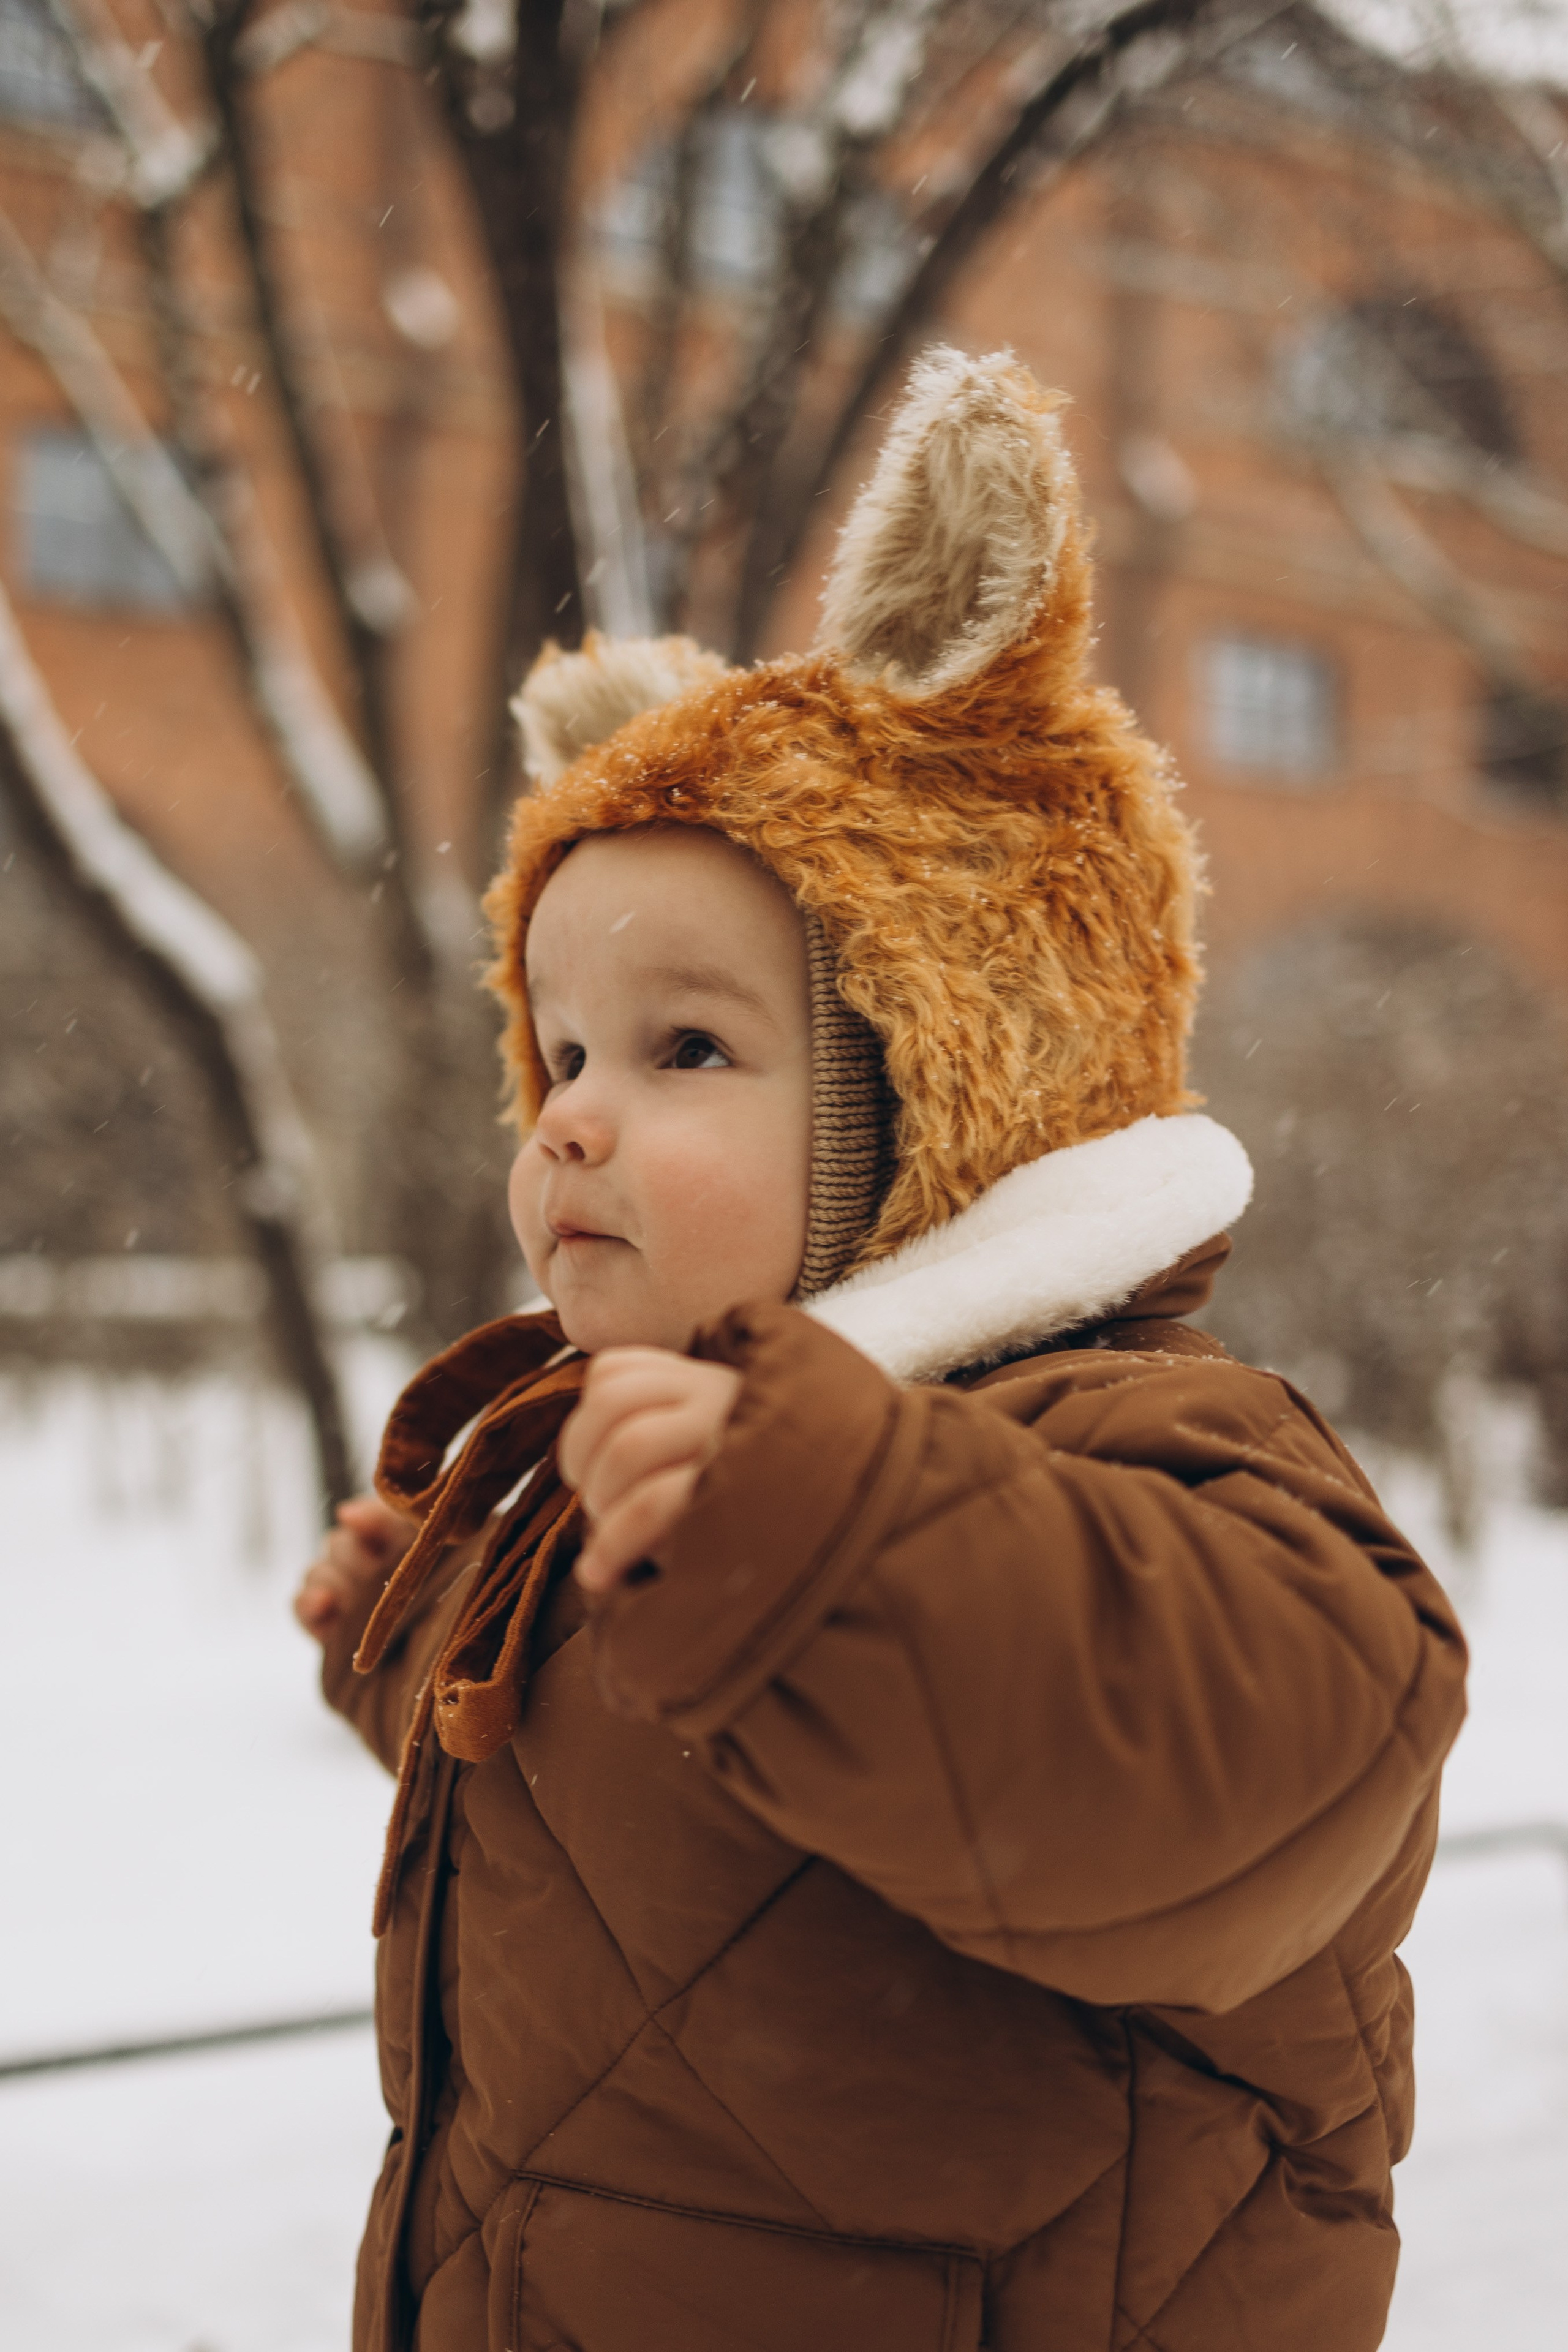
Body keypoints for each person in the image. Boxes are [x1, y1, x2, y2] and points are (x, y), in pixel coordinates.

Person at [295, 347, 1466, 2352]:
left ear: (948, 1099)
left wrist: (840, 1546)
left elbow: (1256, 1757)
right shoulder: (681, 1472)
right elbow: (652, 1858)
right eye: (559, 1054)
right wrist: (435, 1635)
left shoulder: (1135, 1445)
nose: (568, 1115)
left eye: (685, 1050)